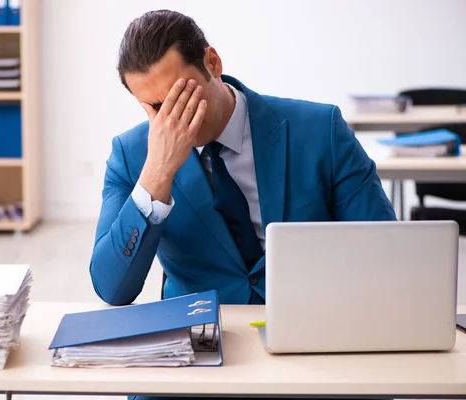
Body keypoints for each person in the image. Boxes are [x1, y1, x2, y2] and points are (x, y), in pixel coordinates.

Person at [90, 9, 396, 307]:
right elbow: (112, 289)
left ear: (212, 63)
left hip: (312, 320)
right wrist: (157, 174)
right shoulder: (130, 157)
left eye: (181, 96)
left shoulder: (321, 130)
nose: (175, 117)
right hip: (202, 335)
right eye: (157, 106)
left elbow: (384, 252)